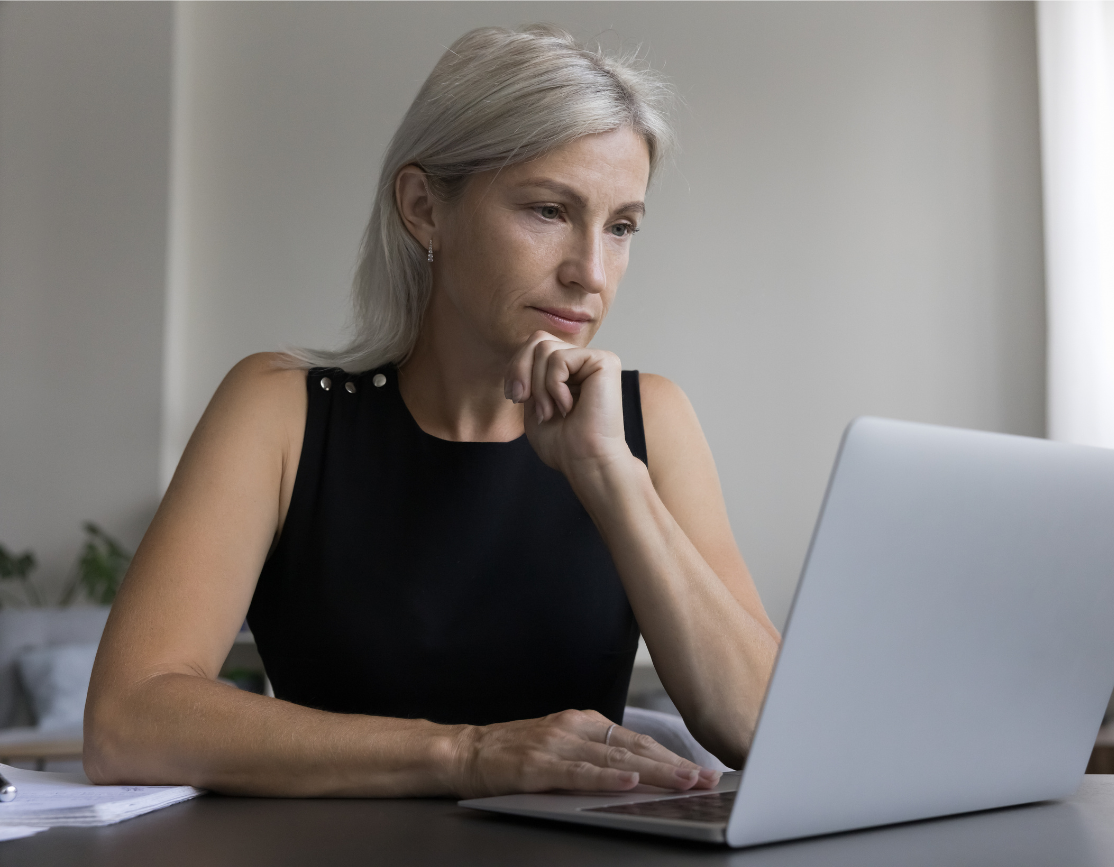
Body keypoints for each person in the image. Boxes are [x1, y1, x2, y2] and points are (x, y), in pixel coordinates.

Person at [85, 25, 780, 798]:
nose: (591, 271)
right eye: (550, 210)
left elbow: (765, 728)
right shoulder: (278, 411)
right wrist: (468, 754)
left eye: (620, 227)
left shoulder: (649, 420)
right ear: (424, 208)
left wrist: (609, 476)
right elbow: (127, 719)